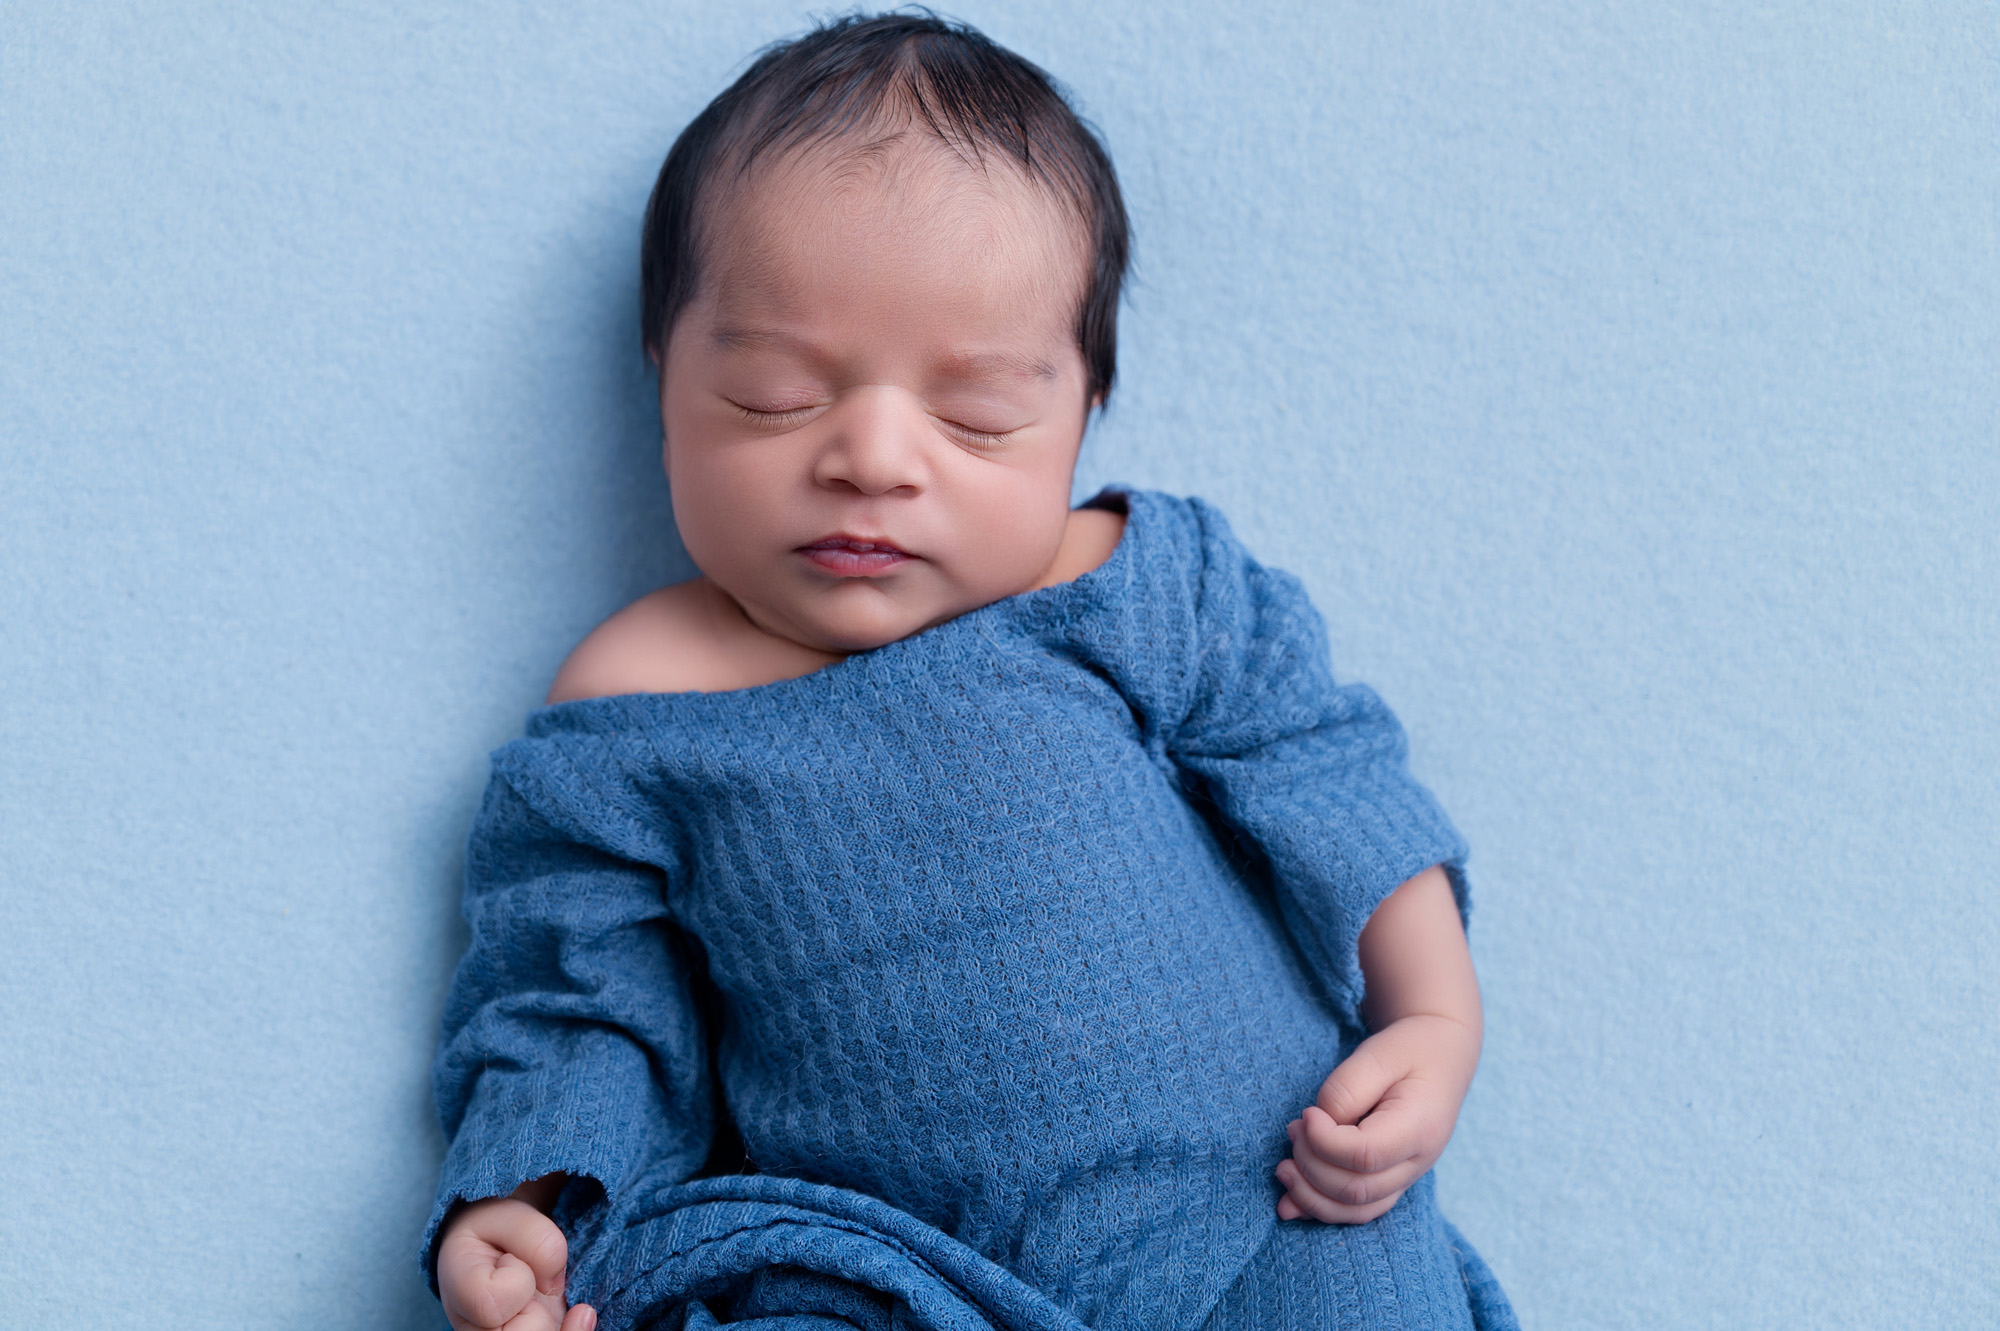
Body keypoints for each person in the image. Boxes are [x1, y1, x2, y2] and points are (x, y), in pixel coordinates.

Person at [423, 14, 1516, 1331]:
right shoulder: (632, 706)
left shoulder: (1127, 581)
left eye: (979, 414)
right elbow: (580, 1000)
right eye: (775, 394)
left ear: (1081, 411)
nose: (876, 458)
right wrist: (522, 1200)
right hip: (901, 1274)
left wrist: (1433, 1020)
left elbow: (1327, 776)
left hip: (1273, 1205)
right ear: (666, 373)